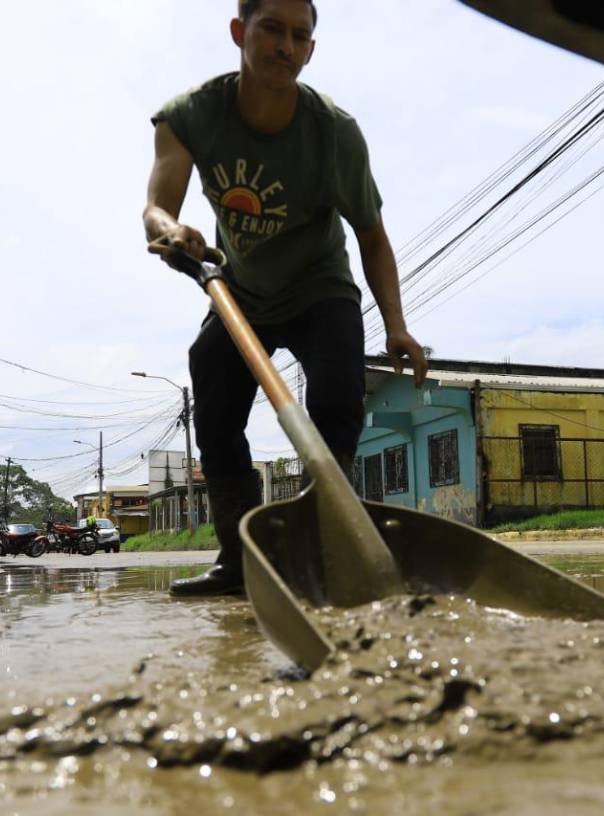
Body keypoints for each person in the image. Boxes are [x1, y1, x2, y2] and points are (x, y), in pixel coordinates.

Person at [143, 0, 428, 596]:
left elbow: (372, 238)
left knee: (336, 398)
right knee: (214, 393)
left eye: (300, 36)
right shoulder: (191, 114)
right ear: (239, 32)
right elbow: (156, 207)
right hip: (238, 288)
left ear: (311, 50)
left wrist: (397, 326)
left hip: (320, 286)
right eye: (272, 29)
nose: (285, 46)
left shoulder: (334, 133)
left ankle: (321, 549)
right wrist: (170, 229)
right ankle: (239, 562)